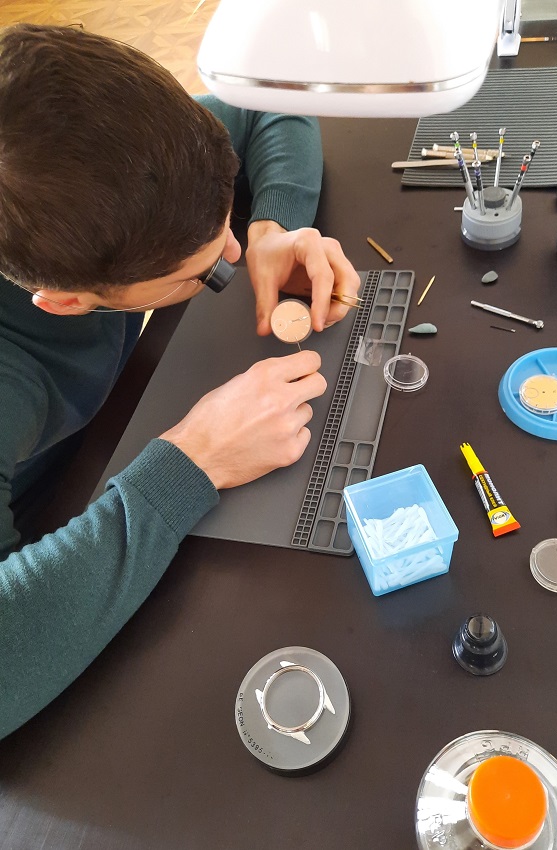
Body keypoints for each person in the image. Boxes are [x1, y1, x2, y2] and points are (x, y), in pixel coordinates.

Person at [0, 23, 360, 739]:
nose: (225, 254)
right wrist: (190, 462)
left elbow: (265, 106)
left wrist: (269, 229)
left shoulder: (64, 162)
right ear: (66, 301)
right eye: (200, 273)